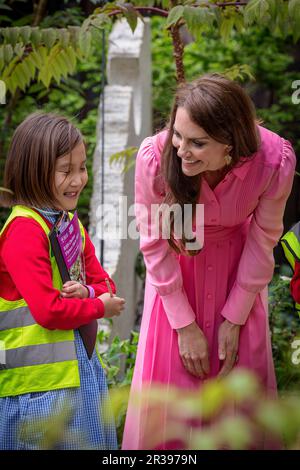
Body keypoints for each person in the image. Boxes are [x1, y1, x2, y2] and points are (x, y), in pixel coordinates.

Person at [122, 73, 296, 450]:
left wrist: (235, 316)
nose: (182, 150)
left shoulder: (274, 160)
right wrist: (184, 325)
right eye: (178, 135)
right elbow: (152, 244)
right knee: (170, 405)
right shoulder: (156, 158)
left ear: (230, 145)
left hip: (241, 279)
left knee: (240, 403)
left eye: (197, 143)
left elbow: (264, 237)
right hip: (176, 281)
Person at [0, 112, 125, 450]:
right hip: (38, 389)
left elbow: (106, 284)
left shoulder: (69, 224)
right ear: (34, 172)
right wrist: (98, 305)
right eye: (65, 171)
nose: (78, 179)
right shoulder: (24, 230)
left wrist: (88, 292)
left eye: (82, 168)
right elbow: (48, 311)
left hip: (79, 374)